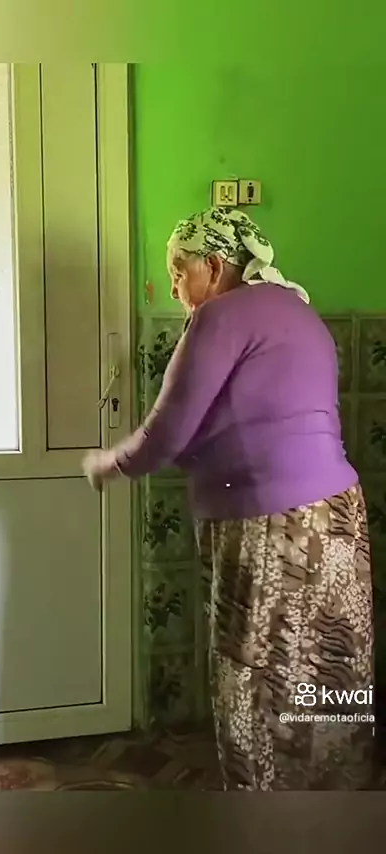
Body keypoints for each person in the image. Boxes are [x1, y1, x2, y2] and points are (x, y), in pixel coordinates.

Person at [82, 206, 374, 791]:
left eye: (178, 272)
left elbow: (168, 429)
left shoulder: (220, 316)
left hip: (270, 526)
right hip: (338, 516)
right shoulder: (297, 308)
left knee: (255, 669)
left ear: (214, 267)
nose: (173, 288)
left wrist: (111, 463)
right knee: (329, 662)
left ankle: (259, 806)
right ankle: (339, 794)